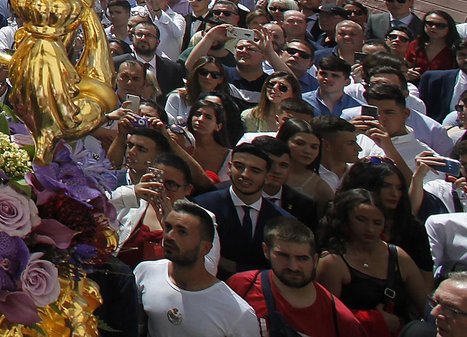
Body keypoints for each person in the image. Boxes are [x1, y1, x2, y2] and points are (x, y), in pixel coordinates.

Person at [134, 200, 262, 337]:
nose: (169, 236)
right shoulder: (145, 273)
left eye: (182, 232)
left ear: (205, 248)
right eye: (168, 227)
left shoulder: (238, 313)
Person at [315, 189, 430, 337]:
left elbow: (426, 308)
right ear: (345, 219)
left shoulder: (398, 256)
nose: (370, 229)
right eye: (361, 219)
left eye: (377, 223)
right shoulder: (333, 262)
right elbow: (327, 319)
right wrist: (373, 321)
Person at [229, 218, 363, 337]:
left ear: (315, 260)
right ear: (266, 251)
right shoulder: (241, 286)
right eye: (283, 255)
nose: (293, 267)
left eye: (302, 258)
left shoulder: (341, 319)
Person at [196, 141, 286, 274]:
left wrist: (235, 267)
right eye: (239, 166)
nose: (245, 174)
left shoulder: (281, 219)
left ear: (268, 177)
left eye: (255, 171)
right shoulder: (203, 206)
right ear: (229, 167)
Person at [340, 159, 432, 276]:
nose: (394, 193)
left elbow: (426, 277)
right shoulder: (341, 218)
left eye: (399, 188)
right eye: (386, 186)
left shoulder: (412, 227)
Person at [280, 117, 337, 209]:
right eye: (300, 143)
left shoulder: (320, 187)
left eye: (314, 147)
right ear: (284, 141)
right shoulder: (265, 171)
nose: (307, 151)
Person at [406, 11, 460, 80]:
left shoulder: (456, 48)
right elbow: (405, 67)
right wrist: (408, 72)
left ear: (450, 28)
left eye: (440, 25)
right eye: (430, 23)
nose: (433, 27)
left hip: (444, 88)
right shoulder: (416, 44)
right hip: (417, 86)